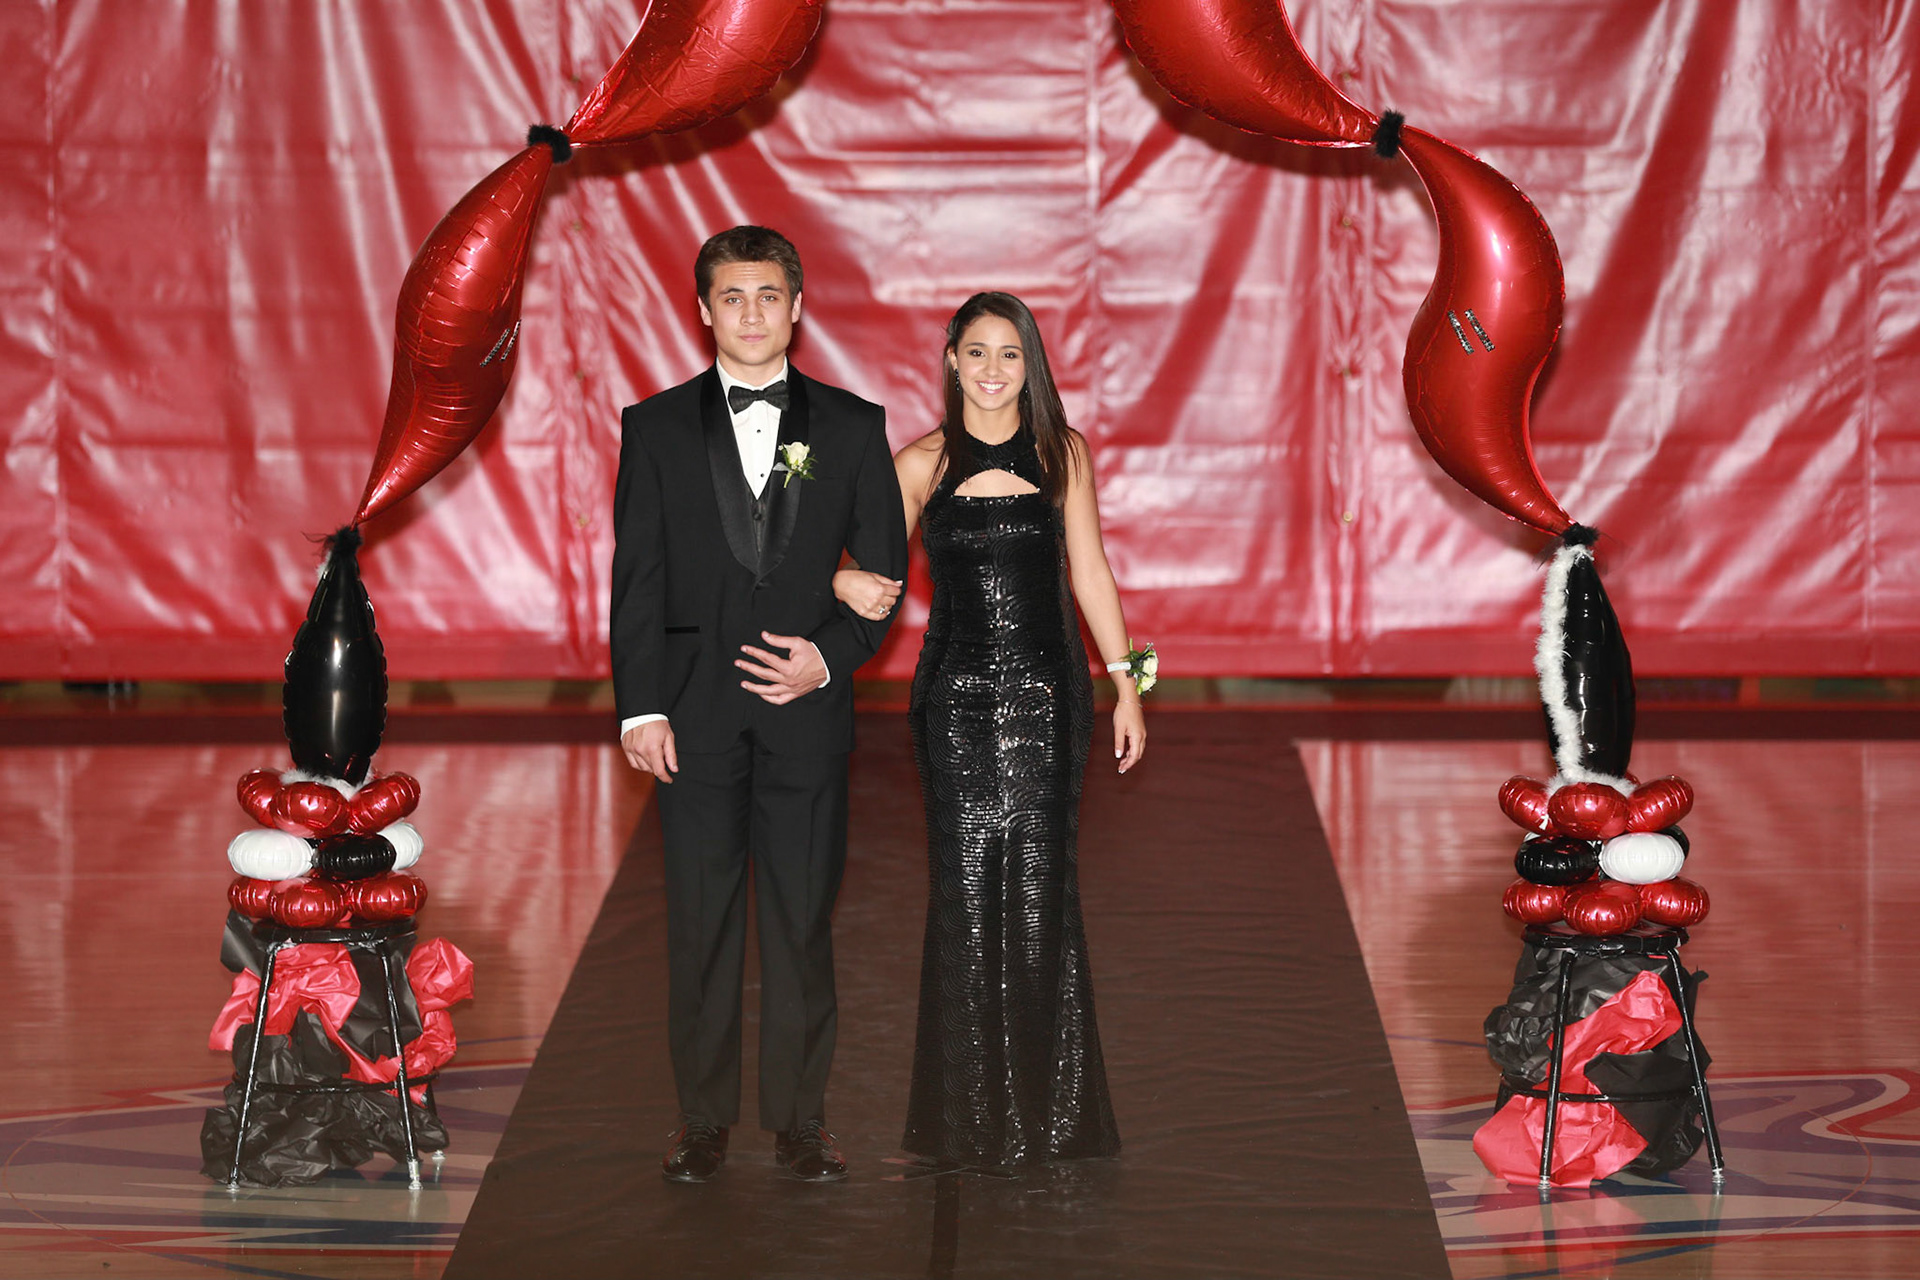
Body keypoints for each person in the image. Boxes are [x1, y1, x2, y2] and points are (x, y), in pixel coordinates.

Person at [610, 225, 908, 1184]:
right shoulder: (654, 427)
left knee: (800, 922)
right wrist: (639, 709)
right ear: (704, 309)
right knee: (700, 925)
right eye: (732, 296)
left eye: (769, 295)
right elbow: (637, 580)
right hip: (691, 717)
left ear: (797, 307)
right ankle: (702, 1122)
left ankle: (800, 1122)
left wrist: (828, 658)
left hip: (806, 719)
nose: (751, 313)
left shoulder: (854, 426)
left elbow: (886, 575)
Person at [833, 291, 1144, 1169]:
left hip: (1050, 699)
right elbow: (860, 566)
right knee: (967, 895)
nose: (994, 370)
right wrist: (835, 580)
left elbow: (1091, 573)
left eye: (1010, 354)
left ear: (1029, 364)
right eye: (977, 352)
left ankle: (1052, 1119)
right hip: (955, 704)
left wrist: (1128, 686)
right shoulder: (918, 464)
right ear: (952, 361)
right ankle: (966, 1120)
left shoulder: (1062, 453)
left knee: (1041, 895)